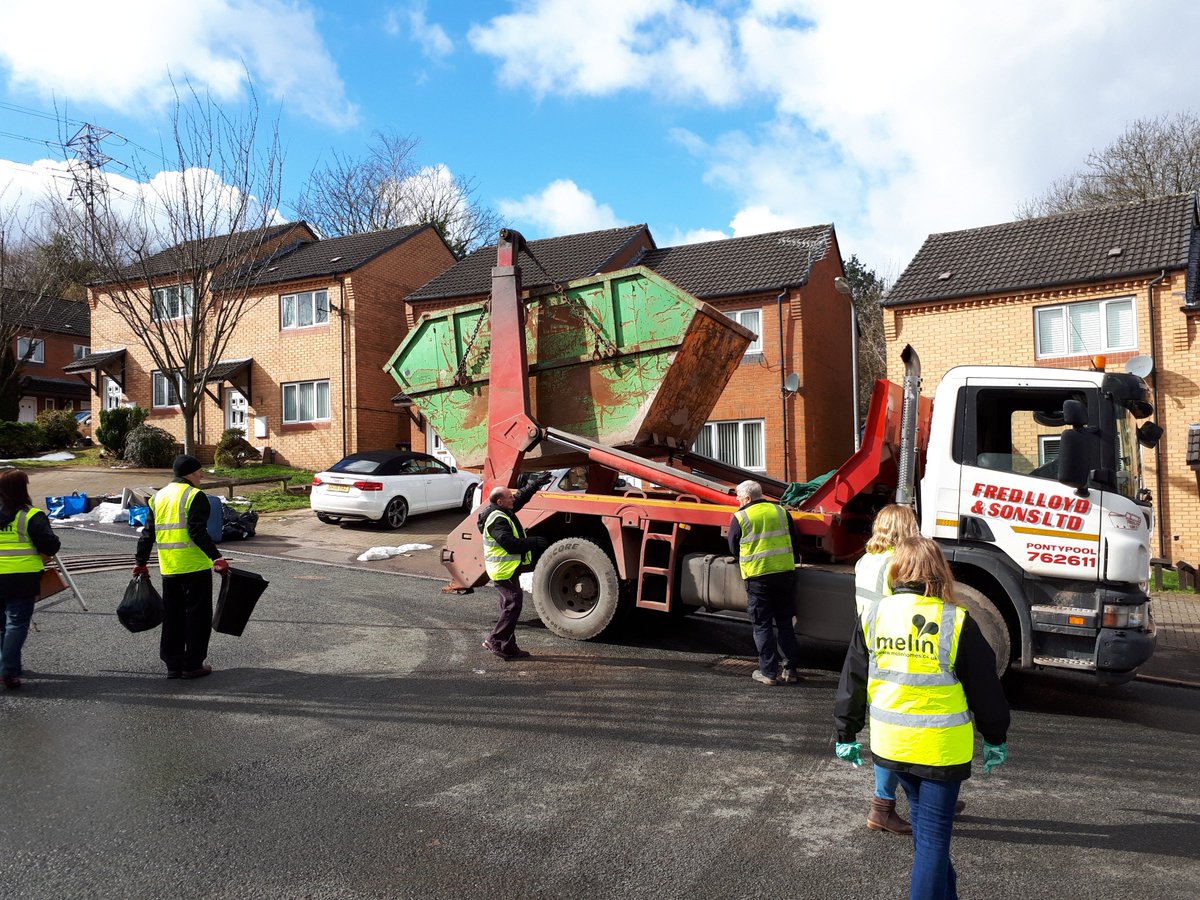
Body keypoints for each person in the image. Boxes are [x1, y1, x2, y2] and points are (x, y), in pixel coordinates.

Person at [835, 536, 1010, 900]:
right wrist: (995, 737)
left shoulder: (874, 616)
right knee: (931, 841)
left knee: (928, 835)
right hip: (940, 750)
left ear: (897, 571)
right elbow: (986, 689)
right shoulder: (956, 620)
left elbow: (852, 679)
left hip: (891, 745)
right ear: (937, 572)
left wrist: (846, 732)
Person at [854, 504, 920, 833]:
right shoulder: (899, 563)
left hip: (872, 644)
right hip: (896, 650)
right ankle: (882, 806)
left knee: (892, 727)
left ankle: (921, 794)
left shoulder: (866, 559)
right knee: (898, 729)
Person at [133, 455, 228, 679]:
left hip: (170, 567)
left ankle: (173, 664)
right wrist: (217, 557)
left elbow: (148, 534)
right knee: (197, 616)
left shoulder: (158, 497)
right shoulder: (195, 496)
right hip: (194, 566)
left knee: (173, 617)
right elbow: (197, 532)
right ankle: (193, 664)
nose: (202, 475)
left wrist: (141, 563)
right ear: (190, 474)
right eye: (199, 471)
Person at [728, 480, 803, 685]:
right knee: (785, 623)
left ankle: (768, 673)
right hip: (784, 574)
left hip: (758, 577)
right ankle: (791, 670)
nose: (737, 500)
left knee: (762, 625)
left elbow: (733, 546)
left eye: (738, 496)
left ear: (748, 498)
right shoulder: (781, 512)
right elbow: (795, 541)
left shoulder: (741, 516)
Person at [477, 472, 553, 660]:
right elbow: (509, 543)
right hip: (503, 571)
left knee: (508, 607)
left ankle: (508, 647)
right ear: (500, 501)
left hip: (508, 569)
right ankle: (494, 639)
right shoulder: (497, 519)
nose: (513, 499)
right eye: (509, 497)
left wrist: (535, 485)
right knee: (513, 605)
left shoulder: (501, 509)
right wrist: (533, 542)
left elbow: (519, 499)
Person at [0, 469, 61, 689]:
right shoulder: (31, 515)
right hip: (21, 578)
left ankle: (9, 666)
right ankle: (8, 670)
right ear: (22, 489)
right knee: (16, 624)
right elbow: (50, 546)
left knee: (2, 626)